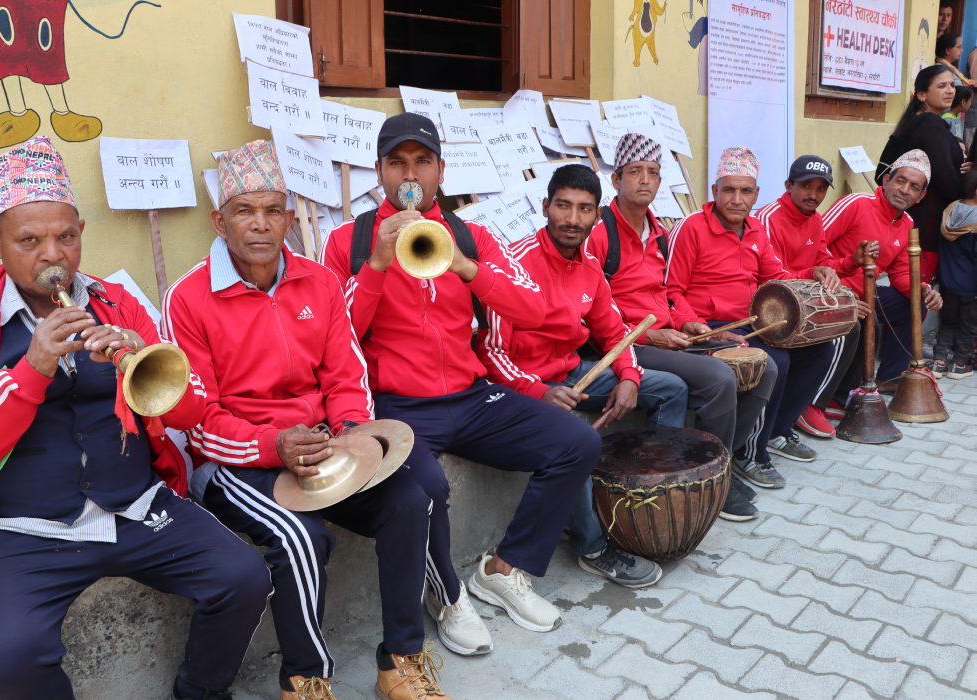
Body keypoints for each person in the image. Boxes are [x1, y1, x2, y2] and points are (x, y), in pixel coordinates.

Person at [0, 136, 274, 700]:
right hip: (26, 531)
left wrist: (139, 357)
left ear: (82, 232)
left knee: (243, 579)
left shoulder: (119, 303)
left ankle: (201, 692)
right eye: (29, 241)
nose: (52, 257)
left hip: (137, 507)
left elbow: (191, 409)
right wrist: (31, 369)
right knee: (11, 659)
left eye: (66, 237)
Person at [162, 140, 449, 700]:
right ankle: (306, 678)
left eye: (273, 210)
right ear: (220, 221)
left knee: (411, 500)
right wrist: (274, 446)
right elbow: (198, 418)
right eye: (245, 211)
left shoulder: (317, 281)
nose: (260, 225)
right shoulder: (189, 297)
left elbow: (346, 375)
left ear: (290, 218)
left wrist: (350, 435)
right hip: (236, 460)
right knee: (300, 537)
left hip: (322, 446)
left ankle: (401, 661)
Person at [322, 113, 600, 655]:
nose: (411, 174)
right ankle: (447, 594)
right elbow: (336, 340)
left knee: (578, 442)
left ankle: (502, 569)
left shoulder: (471, 234)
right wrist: (377, 264)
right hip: (398, 404)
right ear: (378, 171)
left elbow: (535, 307)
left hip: (472, 397)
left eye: (422, 162)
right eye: (397, 162)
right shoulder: (349, 241)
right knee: (429, 489)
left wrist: (466, 266)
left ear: (441, 170)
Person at [476, 164, 675, 586]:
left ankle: (644, 507)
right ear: (545, 207)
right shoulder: (513, 263)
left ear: (596, 216)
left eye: (584, 209)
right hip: (522, 384)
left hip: (573, 373)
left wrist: (628, 377)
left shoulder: (588, 267)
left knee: (670, 390)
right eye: (563, 206)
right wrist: (538, 391)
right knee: (571, 436)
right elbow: (491, 352)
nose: (572, 219)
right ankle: (591, 546)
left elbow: (616, 333)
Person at [584, 133, 775, 520]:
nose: (644, 180)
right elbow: (588, 306)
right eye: (634, 171)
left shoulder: (657, 232)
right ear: (616, 180)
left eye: (653, 172)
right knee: (720, 378)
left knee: (763, 366)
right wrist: (648, 333)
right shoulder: (600, 231)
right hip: (625, 341)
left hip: (670, 334)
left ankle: (719, 461)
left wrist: (693, 324)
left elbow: (670, 293)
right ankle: (710, 479)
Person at [665, 147, 836, 490]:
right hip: (708, 328)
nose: (737, 199)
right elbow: (670, 291)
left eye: (745, 191)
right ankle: (749, 452)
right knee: (775, 362)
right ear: (714, 191)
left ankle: (775, 429)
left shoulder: (757, 231)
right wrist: (691, 324)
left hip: (750, 324)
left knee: (820, 348)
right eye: (728, 189)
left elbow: (778, 278)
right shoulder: (691, 229)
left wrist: (816, 274)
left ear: (756, 194)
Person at [756, 156, 874, 437]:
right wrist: (816, 273)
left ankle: (815, 404)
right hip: (773, 308)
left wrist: (849, 263)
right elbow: (774, 280)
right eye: (806, 186)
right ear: (788, 185)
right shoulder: (768, 218)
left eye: (821, 188)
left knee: (861, 318)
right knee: (847, 327)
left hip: (798, 302)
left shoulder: (815, 219)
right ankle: (810, 406)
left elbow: (824, 264)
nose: (814, 194)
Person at [824, 150, 945, 393]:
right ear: (886, 181)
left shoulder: (908, 223)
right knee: (871, 322)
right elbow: (815, 243)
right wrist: (837, 288)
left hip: (867, 294)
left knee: (915, 303)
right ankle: (837, 392)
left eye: (914, 187)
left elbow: (901, 275)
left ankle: (888, 379)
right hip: (830, 291)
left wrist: (923, 290)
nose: (904, 190)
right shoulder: (856, 204)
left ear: (920, 196)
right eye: (900, 181)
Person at [881, 65, 967, 284]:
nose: (950, 90)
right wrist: (969, 188)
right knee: (918, 293)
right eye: (941, 86)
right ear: (922, 95)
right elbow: (945, 178)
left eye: (951, 85)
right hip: (925, 225)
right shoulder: (930, 123)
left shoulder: (915, 120)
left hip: (911, 222)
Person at [931, 169, 977, 379]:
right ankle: (960, 365)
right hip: (971, 285)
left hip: (948, 282)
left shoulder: (949, 211)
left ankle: (939, 362)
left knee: (948, 321)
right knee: (968, 324)